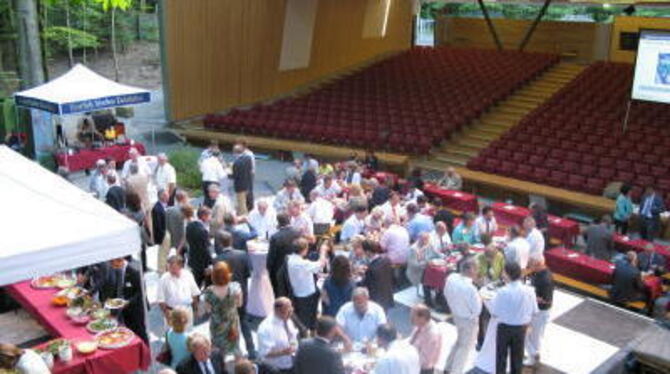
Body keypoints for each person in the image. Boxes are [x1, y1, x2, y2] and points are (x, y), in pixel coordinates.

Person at [489, 262, 538, 374]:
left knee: (501, 357)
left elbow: (495, 313)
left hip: (504, 328)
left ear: (507, 274)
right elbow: (535, 311)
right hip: (521, 329)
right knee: (517, 358)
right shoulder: (529, 290)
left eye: (503, 272)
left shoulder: (502, 292)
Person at [214, 230, 256, 359]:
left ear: (220, 243)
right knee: (243, 321)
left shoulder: (217, 259)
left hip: (225, 297)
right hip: (241, 294)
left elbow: (216, 280)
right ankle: (251, 350)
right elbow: (249, 273)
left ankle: (226, 353)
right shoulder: (243, 254)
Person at [444, 258, 482, 374]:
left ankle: (448, 367)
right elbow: (477, 310)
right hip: (468, 320)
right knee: (464, 348)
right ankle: (455, 371)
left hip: (456, 315)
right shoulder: (470, 288)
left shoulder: (451, 278)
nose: (477, 271)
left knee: (459, 342)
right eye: (476, 269)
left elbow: (445, 293)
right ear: (471, 270)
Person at [99, 257, 149, 343]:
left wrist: (129, 302)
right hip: (124, 308)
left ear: (120, 261)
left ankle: (145, 350)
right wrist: (110, 299)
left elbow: (141, 292)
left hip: (136, 309)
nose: (113, 267)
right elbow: (118, 287)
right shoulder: (117, 270)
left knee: (140, 332)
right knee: (129, 331)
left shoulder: (134, 272)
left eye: (114, 264)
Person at [204, 262, 243, 361]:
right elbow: (239, 304)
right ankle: (241, 369)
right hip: (232, 324)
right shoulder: (235, 288)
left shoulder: (209, 291)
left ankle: (220, 368)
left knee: (217, 350)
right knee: (236, 348)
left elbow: (207, 309)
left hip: (217, 324)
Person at [287, 239, 328, 330]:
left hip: (298, 291)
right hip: (306, 294)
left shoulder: (290, 259)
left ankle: (309, 331)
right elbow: (321, 264)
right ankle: (306, 334)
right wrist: (323, 251)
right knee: (307, 319)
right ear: (304, 249)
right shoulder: (302, 263)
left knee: (303, 316)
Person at [524, 256, 554, 367]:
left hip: (540, 312)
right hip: (537, 310)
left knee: (534, 336)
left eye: (531, 265)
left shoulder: (545, 279)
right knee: (531, 334)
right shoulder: (539, 273)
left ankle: (533, 356)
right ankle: (534, 354)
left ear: (538, 265)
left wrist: (530, 295)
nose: (529, 267)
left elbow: (546, 300)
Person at [157, 255, 201, 329]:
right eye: (169, 268)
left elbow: (194, 293)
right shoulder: (164, 279)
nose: (171, 270)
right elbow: (161, 300)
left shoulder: (188, 275)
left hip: (187, 311)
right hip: (172, 313)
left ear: (180, 266)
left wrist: (195, 309)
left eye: (173, 268)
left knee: (188, 335)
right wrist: (167, 314)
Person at [257, 297, 299, 373]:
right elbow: (264, 353)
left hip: (291, 364)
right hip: (275, 369)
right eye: (287, 311)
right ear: (278, 311)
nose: (291, 313)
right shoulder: (266, 328)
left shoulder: (288, 320)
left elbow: (293, 337)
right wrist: (283, 352)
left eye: (291, 309)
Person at [267, 213, 301, 296]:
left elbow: (271, 256)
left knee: (279, 291)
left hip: (279, 267)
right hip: (294, 264)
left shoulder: (275, 237)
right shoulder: (297, 232)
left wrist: (268, 268)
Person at [409, 304, 442, 374]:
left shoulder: (431, 334)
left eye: (413, 317)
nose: (411, 319)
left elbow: (425, 360)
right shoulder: (420, 325)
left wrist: (408, 361)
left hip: (422, 370)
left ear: (422, 318)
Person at [362, 239, 395, 310]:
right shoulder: (386, 260)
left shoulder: (371, 268)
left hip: (376, 300)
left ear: (367, 252)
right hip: (387, 295)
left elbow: (365, 285)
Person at [186, 206, 214, 287]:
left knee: (196, 285)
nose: (210, 218)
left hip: (193, 261)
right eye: (209, 216)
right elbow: (205, 249)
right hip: (203, 264)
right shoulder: (203, 231)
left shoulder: (189, 226)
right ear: (204, 216)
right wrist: (210, 263)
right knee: (208, 286)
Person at [232, 144, 254, 215]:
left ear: (235, 152)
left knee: (242, 205)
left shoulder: (236, 163)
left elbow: (235, 176)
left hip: (240, 186)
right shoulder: (248, 158)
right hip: (248, 184)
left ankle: (244, 218)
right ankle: (238, 214)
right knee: (243, 203)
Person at [166, 191, 189, 255]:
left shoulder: (168, 210)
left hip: (171, 241)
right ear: (184, 199)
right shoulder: (184, 211)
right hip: (182, 243)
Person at [153, 189, 170, 273]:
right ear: (161, 196)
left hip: (165, 233)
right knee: (162, 253)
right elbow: (157, 225)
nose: (168, 196)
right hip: (163, 234)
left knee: (164, 252)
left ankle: (163, 268)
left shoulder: (163, 206)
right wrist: (162, 236)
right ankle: (161, 270)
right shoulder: (157, 208)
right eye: (165, 195)